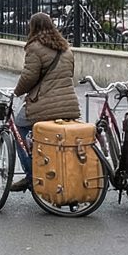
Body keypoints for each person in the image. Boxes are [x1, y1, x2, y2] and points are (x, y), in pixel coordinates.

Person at [9, 12, 78, 192]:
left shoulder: (34, 47)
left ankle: (31, 175)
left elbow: (29, 76)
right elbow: (69, 74)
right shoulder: (66, 49)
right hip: (69, 105)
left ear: (33, 27)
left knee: (18, 126)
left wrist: (17, 92)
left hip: (44, 105)